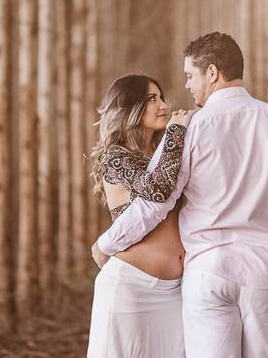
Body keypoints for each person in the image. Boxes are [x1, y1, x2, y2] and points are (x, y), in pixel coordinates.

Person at [92, 32, 268, 358]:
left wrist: (106, 244)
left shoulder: (190, 130)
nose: (186, 86)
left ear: (212, 73)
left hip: (206, 272)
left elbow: (156, 203)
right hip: (267, 271)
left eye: (190, 75)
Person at [86, 74, 194, 358]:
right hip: (129, 288)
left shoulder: (165, 152)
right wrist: (176, 132)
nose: (163, 105)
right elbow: (157, 189)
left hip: (174, 292)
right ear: (129, 107)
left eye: (161, 97)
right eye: (151, 99)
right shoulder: (115, 157)